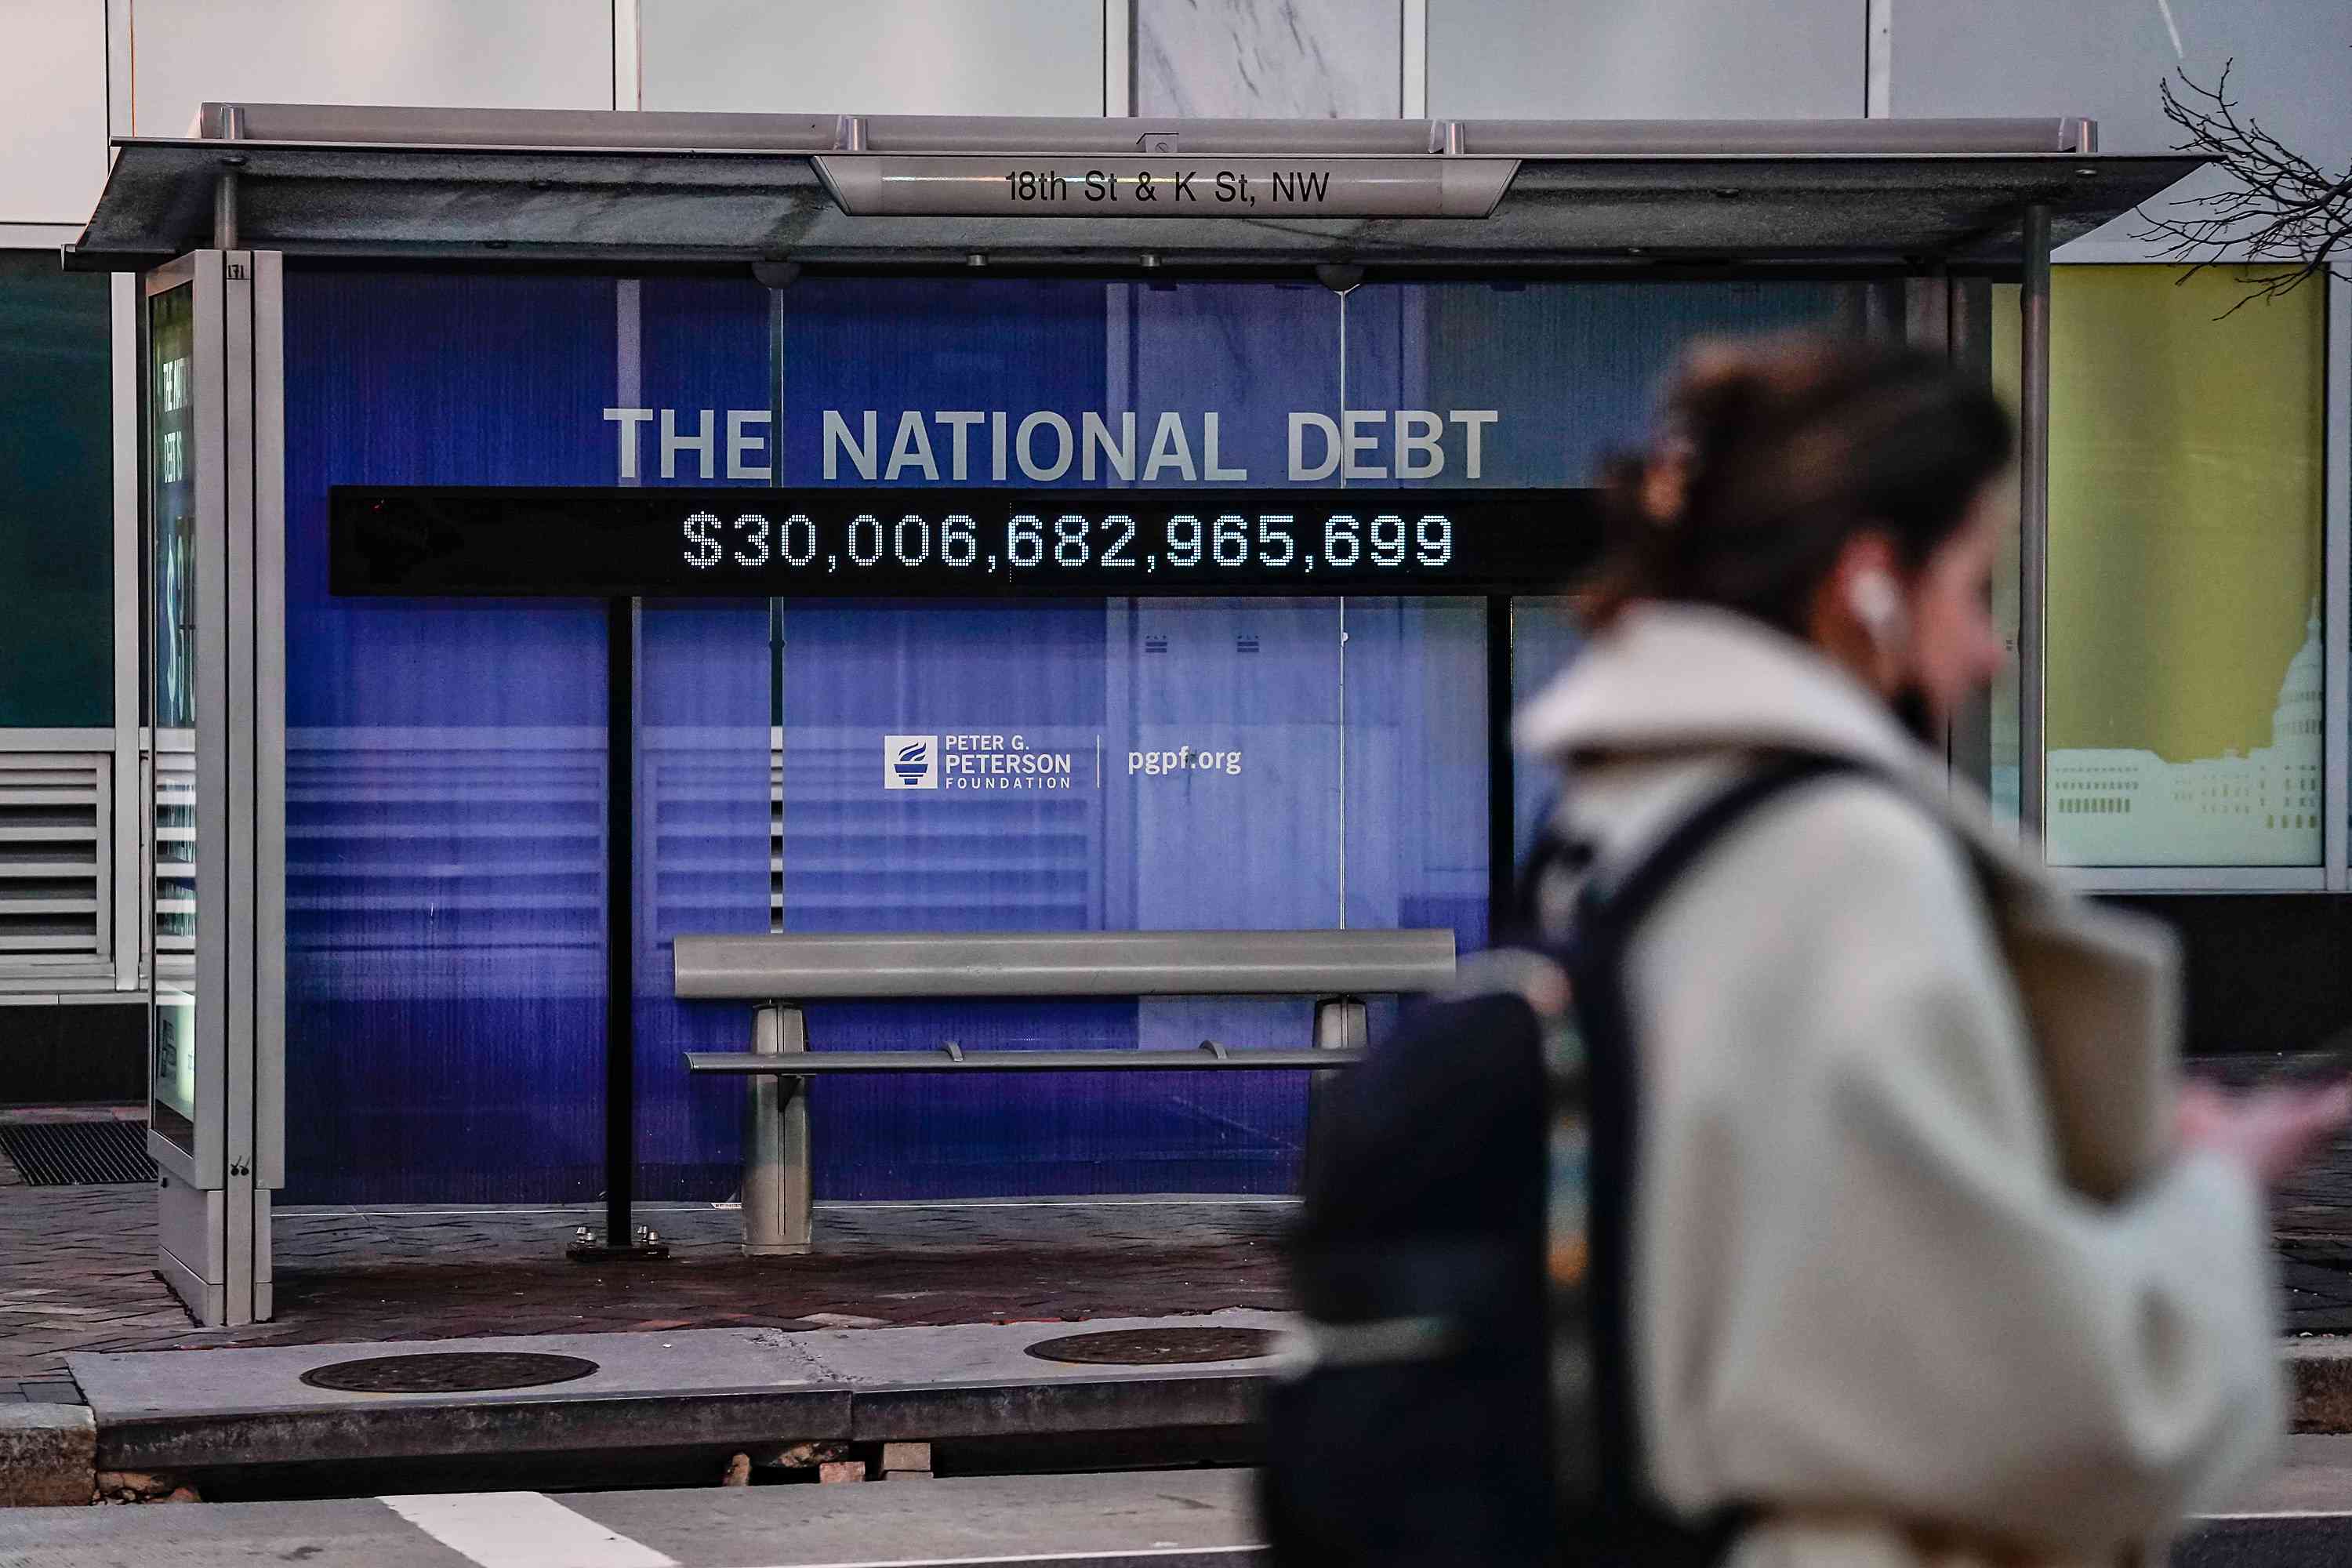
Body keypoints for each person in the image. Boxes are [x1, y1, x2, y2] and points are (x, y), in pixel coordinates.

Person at [1510, 333, 2349, 1567]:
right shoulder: (1846, 866)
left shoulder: (1612, 824)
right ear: (1871, 585)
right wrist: (2212, 1191)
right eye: (1977, 588)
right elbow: (2063, 1409)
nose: (1991, 650)